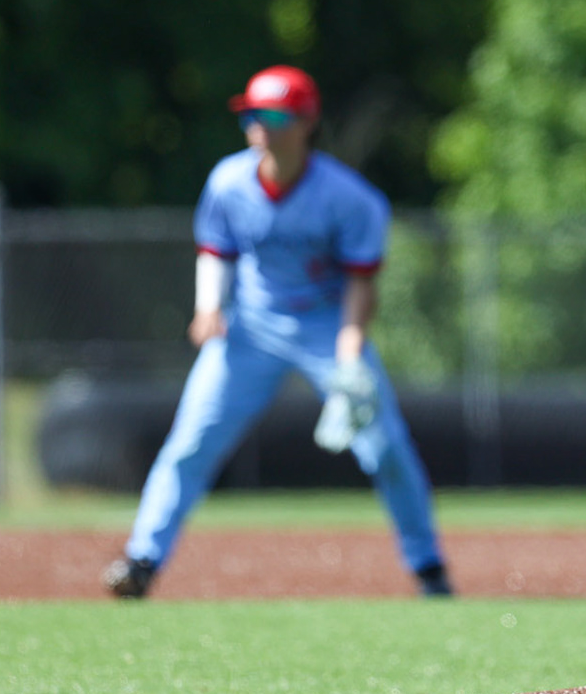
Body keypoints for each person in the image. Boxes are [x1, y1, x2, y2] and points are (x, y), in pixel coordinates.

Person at [103, 65, 453, 600]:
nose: (260, 124)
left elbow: (361, 284)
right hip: (250, 327)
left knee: (385, 447)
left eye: (275, 115)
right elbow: (216, 250)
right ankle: (142, 561)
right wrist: (207, 307)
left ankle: (428, 569)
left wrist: (350, 351)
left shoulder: (349, 198)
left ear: (307, 122)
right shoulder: (228, 182)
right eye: (252, 114)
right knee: (191, 442)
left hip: (326, 328)